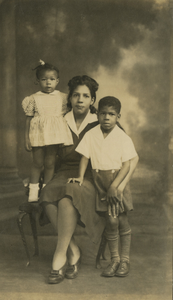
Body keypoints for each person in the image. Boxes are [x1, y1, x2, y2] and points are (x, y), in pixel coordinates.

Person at [39, 75, 106, 284]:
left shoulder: (101, 122)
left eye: (86, 96)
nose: (80, 100)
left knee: (68, 196)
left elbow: (118, 150)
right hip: (64, 172)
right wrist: (44, 184)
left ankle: (58, 257)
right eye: (76, 95)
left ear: (92, 100)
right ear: (70, 99)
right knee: (48, 194)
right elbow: (50, 158)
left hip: (91, 175)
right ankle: (73, 249)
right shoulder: (60, 121)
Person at [71, 96, 139, 277]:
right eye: (103, 114)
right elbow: (85, 157)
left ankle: (124, 261)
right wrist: (79, 176)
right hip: (100, 182)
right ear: (97, 115)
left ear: (118, 116)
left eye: (111, 114)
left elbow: (127, 165)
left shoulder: (122, 137)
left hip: (116, 181)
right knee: (111, 221)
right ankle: (114, 260)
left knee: (121, 220)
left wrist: (115, 186)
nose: (107, 118)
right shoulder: (91, 134)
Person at [22, 60, 73, 202]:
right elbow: (28, 119)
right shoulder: (33, 99)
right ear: (38, 81)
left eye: (52, 79)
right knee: (37, 163)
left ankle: (46, 191)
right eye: (44, 80)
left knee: (50, 163)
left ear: (57, 80)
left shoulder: (62, 97)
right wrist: (26, 138)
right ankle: (33, 193)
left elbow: (68, 115)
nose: (48, 83)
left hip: (54, 135)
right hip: (38, 134)